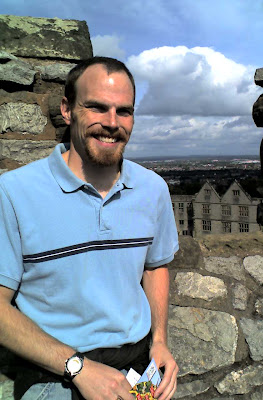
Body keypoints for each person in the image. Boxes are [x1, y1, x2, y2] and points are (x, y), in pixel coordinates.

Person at [0, 57, 179, 400]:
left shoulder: (153, 189)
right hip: (55, 374)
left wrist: (159, 342)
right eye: (97, 107)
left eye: (124, 111)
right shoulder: (14, 193)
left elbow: (155, 265)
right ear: (67, 110)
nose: (112, 123)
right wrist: (77, 367)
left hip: (138, 368)